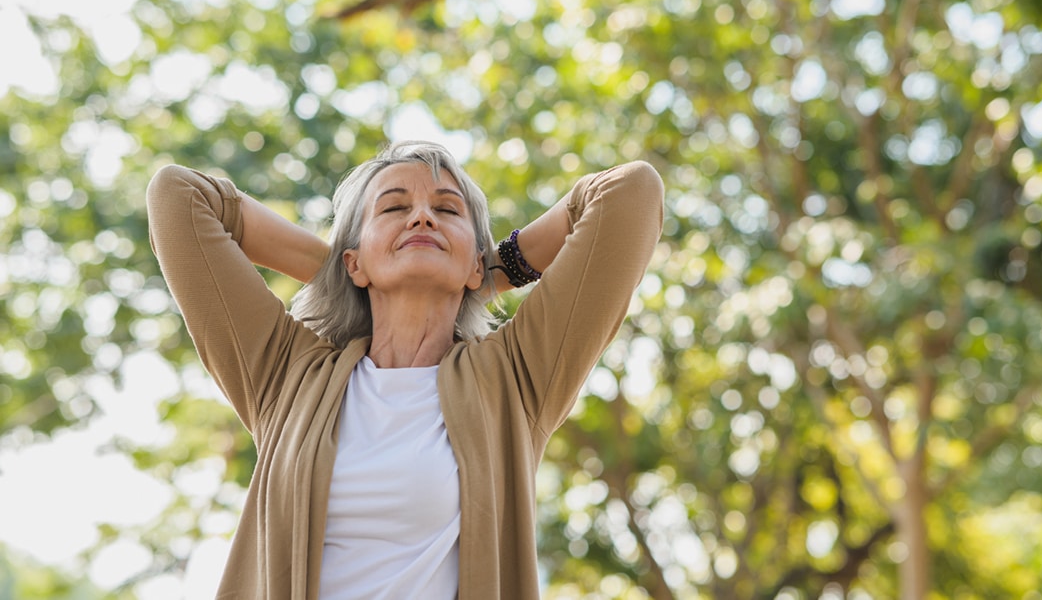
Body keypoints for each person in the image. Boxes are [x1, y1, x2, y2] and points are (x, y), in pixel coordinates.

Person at [146, 139, 664, 599]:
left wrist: (488, 273)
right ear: (354, 261)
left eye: (447, 210)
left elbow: (630, 193)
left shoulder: (515, 378)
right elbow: (179, 196)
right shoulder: (286, 374)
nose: (422, 218)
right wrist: (342, 274)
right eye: (394, 208)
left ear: (475, 263)